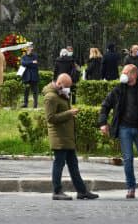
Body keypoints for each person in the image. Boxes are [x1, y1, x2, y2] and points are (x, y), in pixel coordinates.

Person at [98, 64, 138, 199]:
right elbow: (105, 106)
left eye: (126, 72)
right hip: (124, 129)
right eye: (123, 72)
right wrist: (103, 123)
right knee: (128, 159)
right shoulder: (118, 89)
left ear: (134, 75)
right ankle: (131, 188)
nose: (123, 74)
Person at [43, 73, 98, 201]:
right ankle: (57, 191)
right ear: (59, 84)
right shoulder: (51, 97)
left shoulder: (60, 94)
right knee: (59, 164)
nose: (68, 89)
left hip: (67, 137)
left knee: (74, 165)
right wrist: (69, 113)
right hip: (59, 138)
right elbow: (50, 118)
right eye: (67, 86)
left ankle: (82, 191)